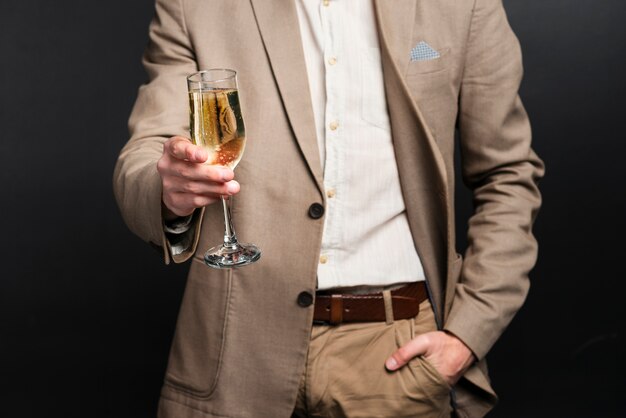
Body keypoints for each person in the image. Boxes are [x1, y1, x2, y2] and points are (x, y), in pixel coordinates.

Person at [113, 0, 544, 417]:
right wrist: (167, 189)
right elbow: (144, 155)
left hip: (395, 359)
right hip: (235, 356)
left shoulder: (465, 4)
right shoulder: (193, 5)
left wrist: (465, 334)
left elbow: (507, 173)